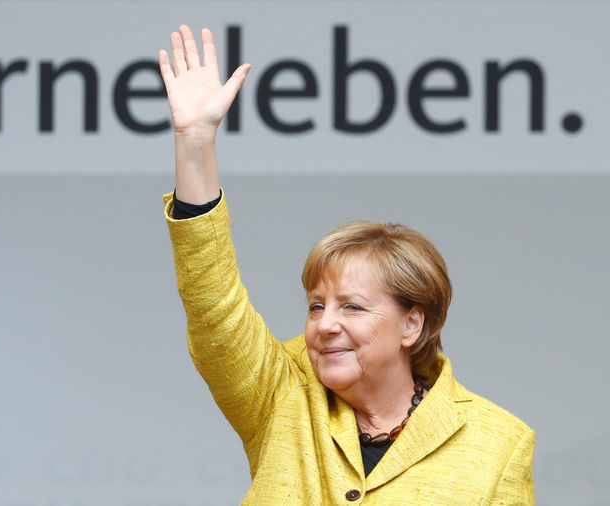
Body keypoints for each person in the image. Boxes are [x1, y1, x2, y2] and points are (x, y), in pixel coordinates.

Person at [159, 25, 535, 504]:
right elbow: (214, 305)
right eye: (316, 306)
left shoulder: (499, 445)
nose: (325, 325)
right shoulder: (281, 391)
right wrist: (195, 142)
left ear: (412, 324)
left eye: (352, 307)